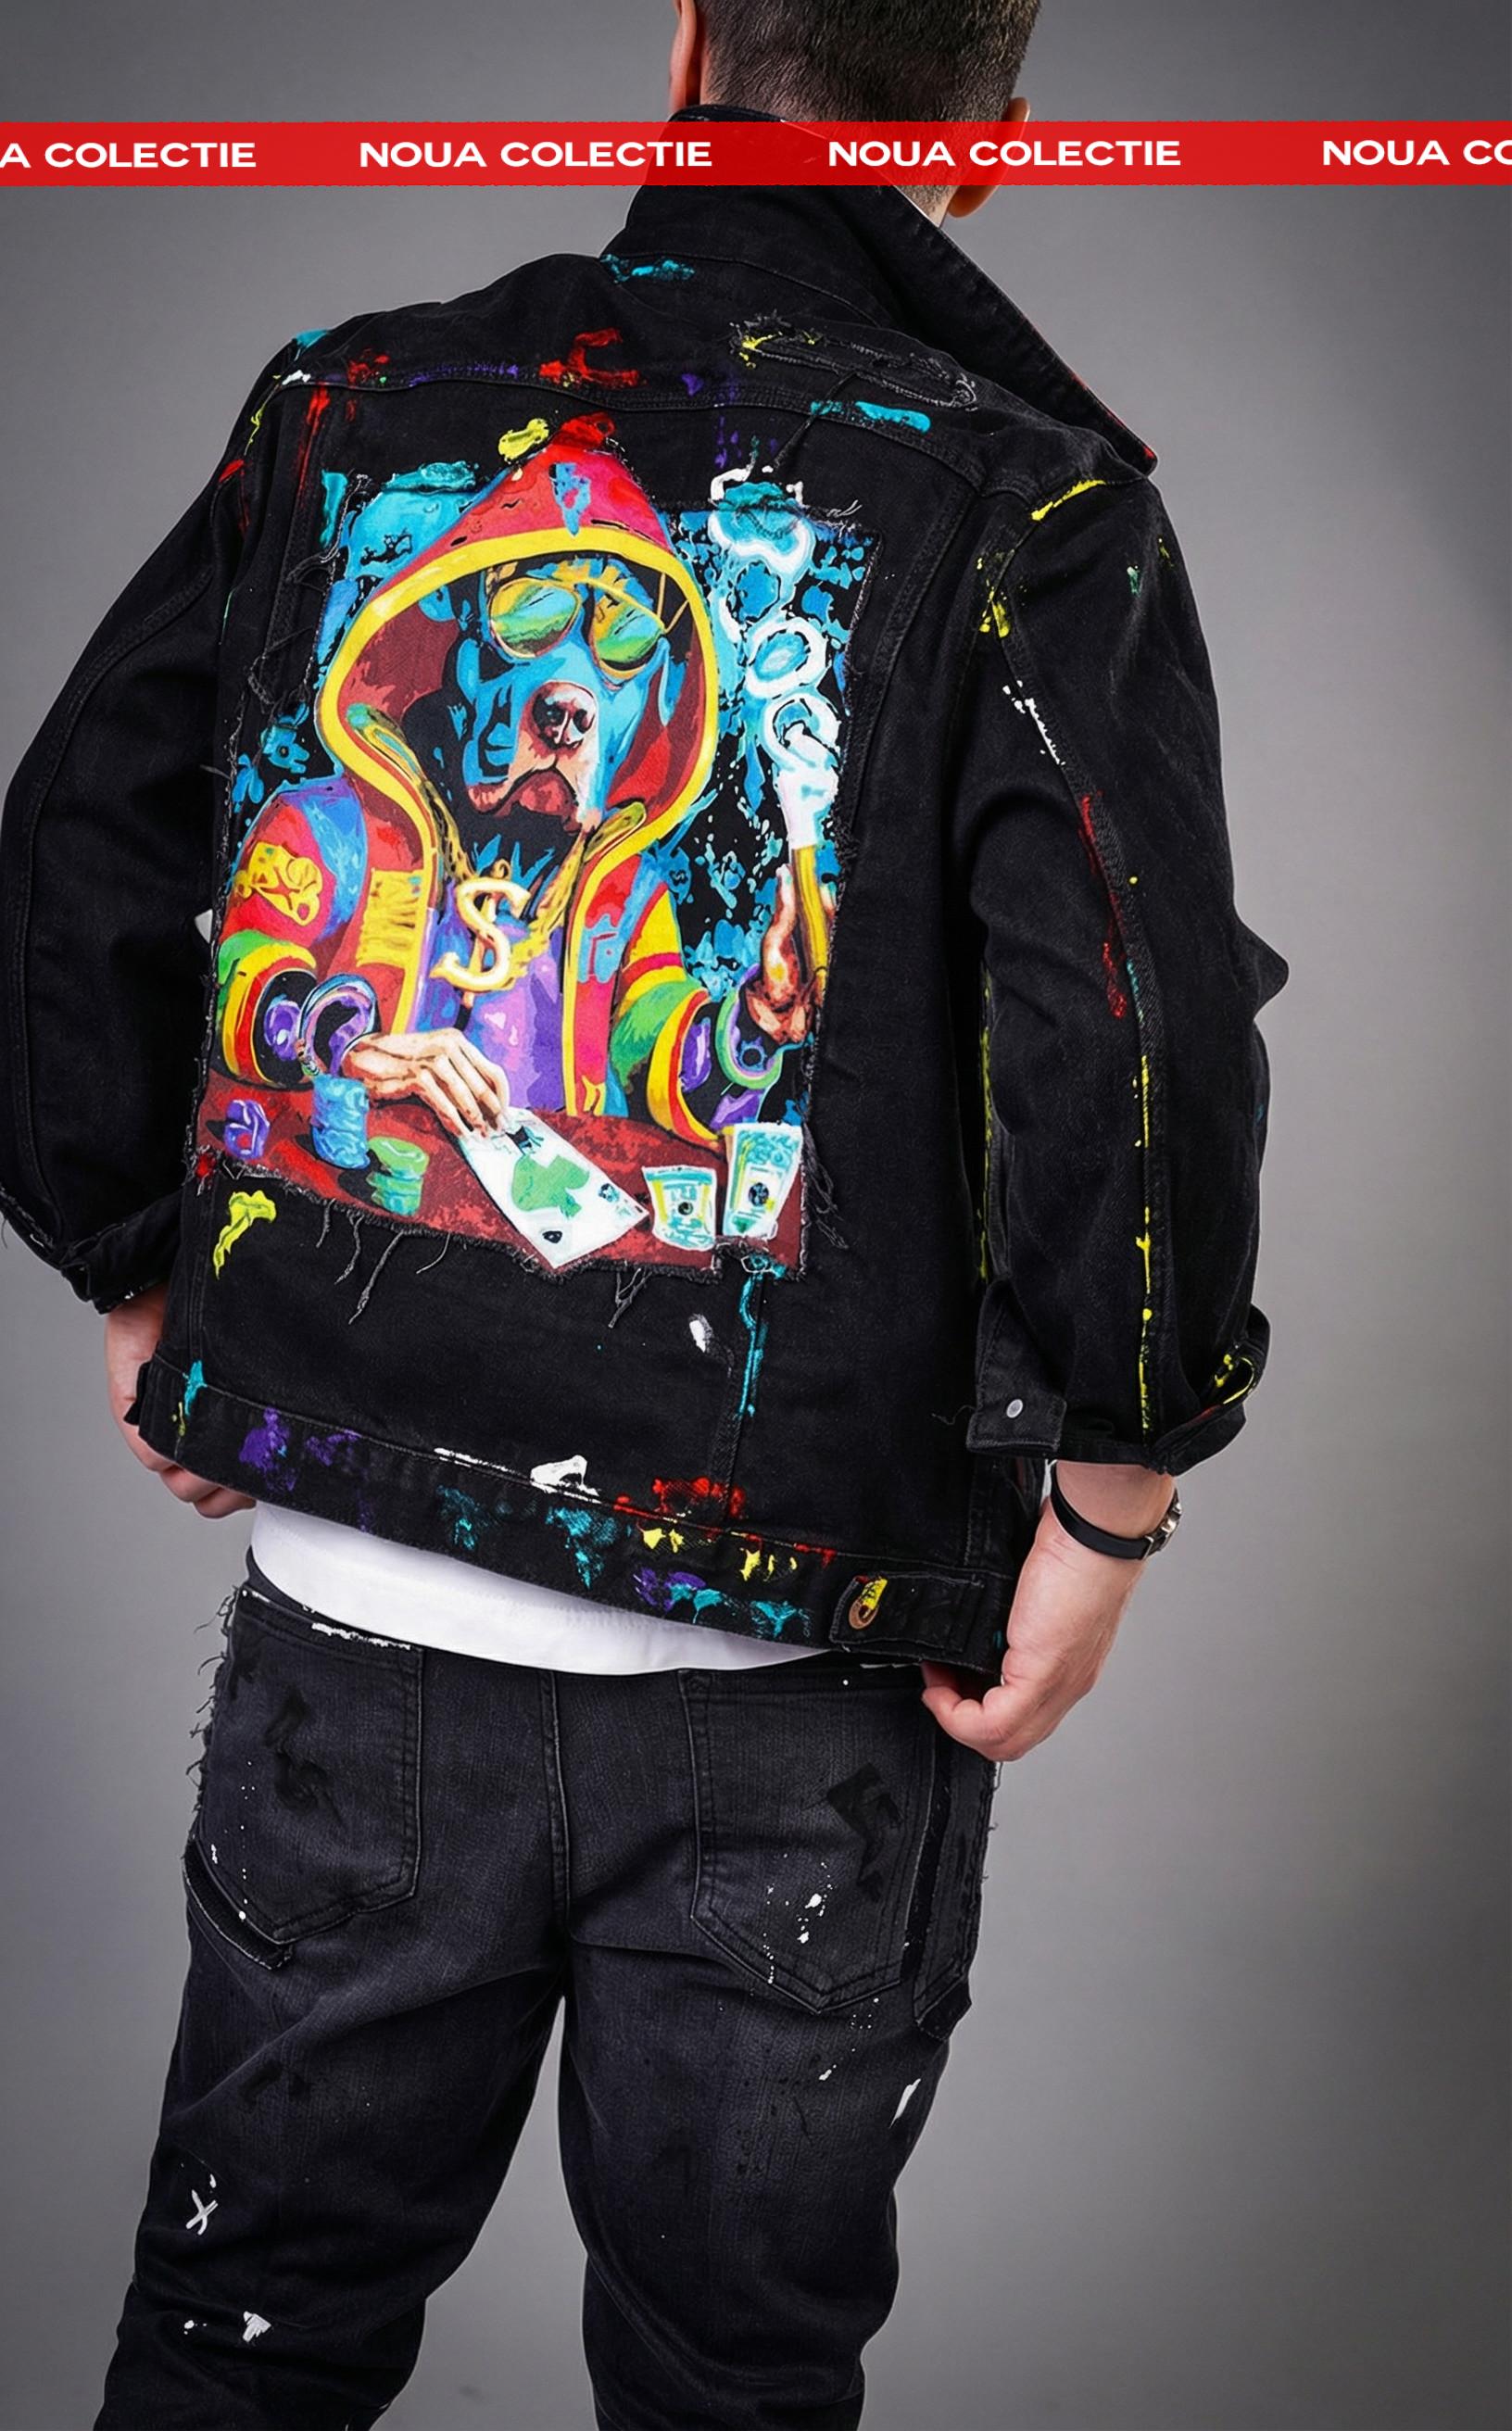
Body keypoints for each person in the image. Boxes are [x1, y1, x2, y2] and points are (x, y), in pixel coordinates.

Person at [0, 1, 1289, 2422]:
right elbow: (1136, 1030)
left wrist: (141, 1254)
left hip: (360, 1632)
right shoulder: (1030, 501)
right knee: (734, 2383)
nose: (559, 720)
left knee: (241, 2338)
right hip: (797, 1689)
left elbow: (77, 835)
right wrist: (1112, 1495)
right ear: (997, 141)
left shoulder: (347, 405)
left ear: (691, 31)